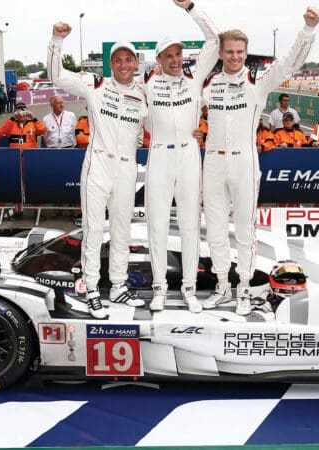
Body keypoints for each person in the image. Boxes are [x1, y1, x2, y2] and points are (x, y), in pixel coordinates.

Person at [201, 6, 319, 315]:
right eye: (229, 52)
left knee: (244, 232)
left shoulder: (259, 82)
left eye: (240, 52)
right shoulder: (208, 85)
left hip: (244, 162)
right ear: (221, 54)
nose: (235, 57)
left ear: (246, 52)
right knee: (214, 231)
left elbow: (291, 62)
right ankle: (222, 287)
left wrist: (307, 29)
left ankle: (243, 289)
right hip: (213, 162)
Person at [49, 22, 148, 318]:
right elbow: (56, 75)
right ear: (110, 64)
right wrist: (57, 40)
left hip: (128, 167)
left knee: (121, 229)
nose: (123, 65)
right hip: (98, 165)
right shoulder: (95, 85)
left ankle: (118, 285)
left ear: (136, 63)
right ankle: (91, 287)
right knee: (94, 229)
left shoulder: (144, 94)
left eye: (128, 60)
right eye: (117, 60)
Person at [144, 0, 219, 314]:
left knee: (190, 225)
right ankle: (159, 287)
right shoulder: (146, 86)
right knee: (157, 225)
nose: (175, 60)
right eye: (168, 55)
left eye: (178, 54)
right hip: (159, 155)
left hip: (189, 156)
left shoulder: (195, 79)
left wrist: (190, 8)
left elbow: (215, 39)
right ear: (159, 59)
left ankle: (189, 288)